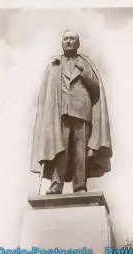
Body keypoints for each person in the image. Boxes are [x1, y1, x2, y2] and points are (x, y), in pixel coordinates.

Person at [30, 30, 112, 194]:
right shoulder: (54, 64)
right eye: (65, 39)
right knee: (60, 149)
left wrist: (84, 72)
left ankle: (80, 185)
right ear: (62, 43)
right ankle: (56, 184)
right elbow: (46, 93)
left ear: (78, 43)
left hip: (82, 111)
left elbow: (96, 89)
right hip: (60, 113)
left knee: (80, 151)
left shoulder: (85, 63)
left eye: (72, 39)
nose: (68, 42)